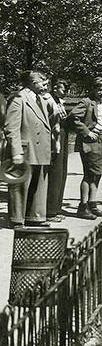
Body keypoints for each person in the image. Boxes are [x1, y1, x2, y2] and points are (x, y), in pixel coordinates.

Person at [4, 70, 52, 228]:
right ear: (33, 83)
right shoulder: (18, 98)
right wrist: (16, 151)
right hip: (25, 148)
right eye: (43, 83)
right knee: (20, 184)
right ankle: (16, 219)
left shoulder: (41, 99)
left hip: (40, 148)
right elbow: (12, 127)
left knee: (39, 183)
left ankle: (35, 217)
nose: (46, 86)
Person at [68, 77, 102, 219]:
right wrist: (87, 132)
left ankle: (93, 205)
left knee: (98, 173)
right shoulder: (86, 102)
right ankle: (83, 207)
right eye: (99, 89)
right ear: (93, 89)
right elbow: (74, 117)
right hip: (90, 141)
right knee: (89, 174)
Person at [44, 78, 70, 222]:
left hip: (62, 137)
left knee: (61, 173)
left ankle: (57, 207)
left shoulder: (59, 101)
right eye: (63, 90)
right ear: (54, 88)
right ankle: (50, 210)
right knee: (54, 174)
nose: (65, 93)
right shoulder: (48, 100)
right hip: (54, 139)